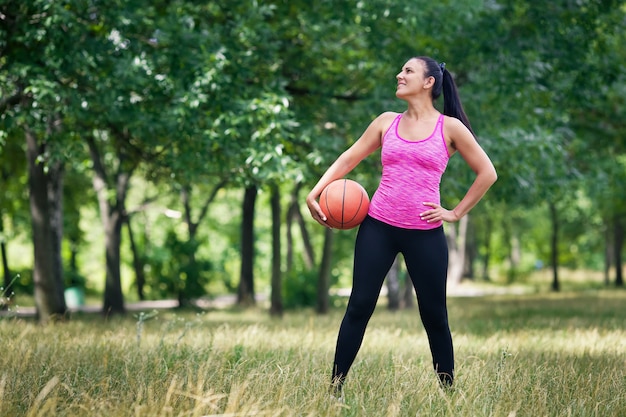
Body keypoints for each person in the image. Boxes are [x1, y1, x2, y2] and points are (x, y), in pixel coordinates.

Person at [306, 56, 497, 395]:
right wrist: (316, 192)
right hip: (378, 226)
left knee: (435, 316)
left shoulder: (449, 128)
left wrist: (454, 213)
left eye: (408, 71)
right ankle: (334, 389)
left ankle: (449, 393)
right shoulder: (386, 122)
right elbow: (350, 157)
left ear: (429, 83)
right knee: (359, 306)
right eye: (401, 69)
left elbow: (487, 173)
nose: (399, 74)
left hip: (425, 234)